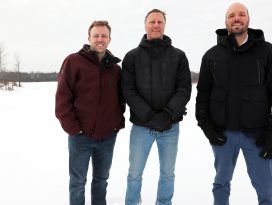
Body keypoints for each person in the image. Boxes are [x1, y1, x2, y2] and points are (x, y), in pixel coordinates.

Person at [195, 2, 272, 205]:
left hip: (258, 135)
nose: (236, 18)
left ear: (248, 19)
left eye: (241, 14)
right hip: (223, 134)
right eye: (231, 15)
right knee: (221, 183)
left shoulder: (269, 52)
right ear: (226, 22)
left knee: (267, 188)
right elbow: (203, 94)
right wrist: (206, 126)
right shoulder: (211, 55)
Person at [121, 9, 192, 205]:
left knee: (168, 174)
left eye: (159, 22)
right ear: (145, 25)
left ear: (164, 25)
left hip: (170, 128)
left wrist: (168, 114)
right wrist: (150, 116)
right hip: (141, 127)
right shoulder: (132, 57)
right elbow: (128, 90)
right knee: (135, 173)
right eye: (152, 21)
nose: (156, 25)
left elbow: (184, 89)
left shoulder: (178, 56)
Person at [55, 20, 125, 205]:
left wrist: (116, 124)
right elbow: (62, 99)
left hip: (108, 137)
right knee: (78, 182)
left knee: (101, 181)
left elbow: (120, 99)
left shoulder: (115, 69)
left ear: (109, 39)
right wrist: (74, 129)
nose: (100, 39)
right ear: (89, 38)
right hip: (81, 137)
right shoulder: (74, 61)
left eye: (104, 36)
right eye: (96, 35)